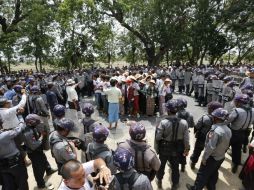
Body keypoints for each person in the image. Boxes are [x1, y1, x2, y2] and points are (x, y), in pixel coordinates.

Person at [186, 108, 232, 190]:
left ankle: (196, 188)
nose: (212, 117)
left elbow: (210, 147)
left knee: (202, 175)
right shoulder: (228, 129)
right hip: (221, 157)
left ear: (217, 118)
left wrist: (204, 158)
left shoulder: (215, 131)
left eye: (214, 116)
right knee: (213, 173)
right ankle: (211, 187)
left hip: (212, 158)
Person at [155, 99, 190, 190]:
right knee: (175, 167)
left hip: (164, 148)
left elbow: (158, 138)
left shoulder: (163, 122)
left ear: (168, 110)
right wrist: (187, 149)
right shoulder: (184, 123)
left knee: (161, 165)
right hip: (177, 148)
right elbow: (186, 139)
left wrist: (157, 148)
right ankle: (175, 185)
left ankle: (159, 181)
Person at [21, 114, 56, 189]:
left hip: (38, 150)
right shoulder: (28, 132)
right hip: (34, 153)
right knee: (38, 169)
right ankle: (41, 184)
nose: (37, 123)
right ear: (31, 122)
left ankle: (49, 170)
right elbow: (33, 145)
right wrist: (41, 137)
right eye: (36, 122)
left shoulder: (32, 127)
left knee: (44, 160)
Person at [190, 101, 223, 169]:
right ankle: (206, 164)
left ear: (212, 110)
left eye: (209, 108)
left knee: (197, 151)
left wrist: (195, 132)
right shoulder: (221, 120)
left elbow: (197, 126)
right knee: (209, 152)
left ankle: (193, 162)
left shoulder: (205, 118)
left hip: (202, 137)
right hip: (213, 138)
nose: (208, 109)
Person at [0, 116, 29, 190]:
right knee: (22, 183)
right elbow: (20, 128)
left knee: (9, 185)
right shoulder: (5, 135)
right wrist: (20, 119)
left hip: (3, 166)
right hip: (16, 163)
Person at [228, 94, 254, 173]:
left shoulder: (237, 111)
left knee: (224, 147)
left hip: (233, 132)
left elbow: (228, 120)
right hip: (243, 133)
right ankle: (235, 165)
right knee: (237, 149)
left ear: (240, 102)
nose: (235, 103)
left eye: (236, 101)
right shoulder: (253, 111)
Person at [28, 85, 51, 150]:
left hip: (35, 116)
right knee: (46, 130)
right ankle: (46, 147)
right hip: (42, 116)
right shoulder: (39, 98)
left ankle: (41, 145)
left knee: (40, 131)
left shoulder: (30, 98)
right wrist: (48, 113)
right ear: (37, 91)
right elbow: (43, 108)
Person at [176, 98, 194, 172]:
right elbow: (192, 125)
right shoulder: (190, 114)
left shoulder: (176, 114)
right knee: (184, 150)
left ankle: (175, 165)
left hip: (176, 135)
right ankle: (183, 166)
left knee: (175, 151)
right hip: (186, 134)